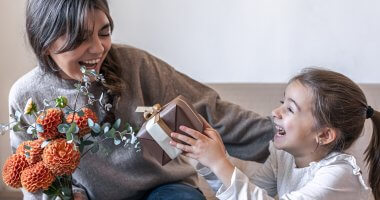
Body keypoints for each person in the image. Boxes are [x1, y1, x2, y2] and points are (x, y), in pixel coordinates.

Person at [8, 0, 275, 199]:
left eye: (104, 32)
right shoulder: (27, 96)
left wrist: (290, 139)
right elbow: (34, 179)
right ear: (46, 41)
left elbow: (210, 111)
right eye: (80, 38)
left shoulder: (135, 65)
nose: (99, 49)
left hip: (165, 189)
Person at [170, 68, 379, 200]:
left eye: (290, 109)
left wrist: (219, 164)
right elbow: (245, 194)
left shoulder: (338, 175)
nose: (274, 113)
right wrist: (209, 161)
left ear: (324, 135)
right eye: (282, 103)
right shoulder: (284, 158)